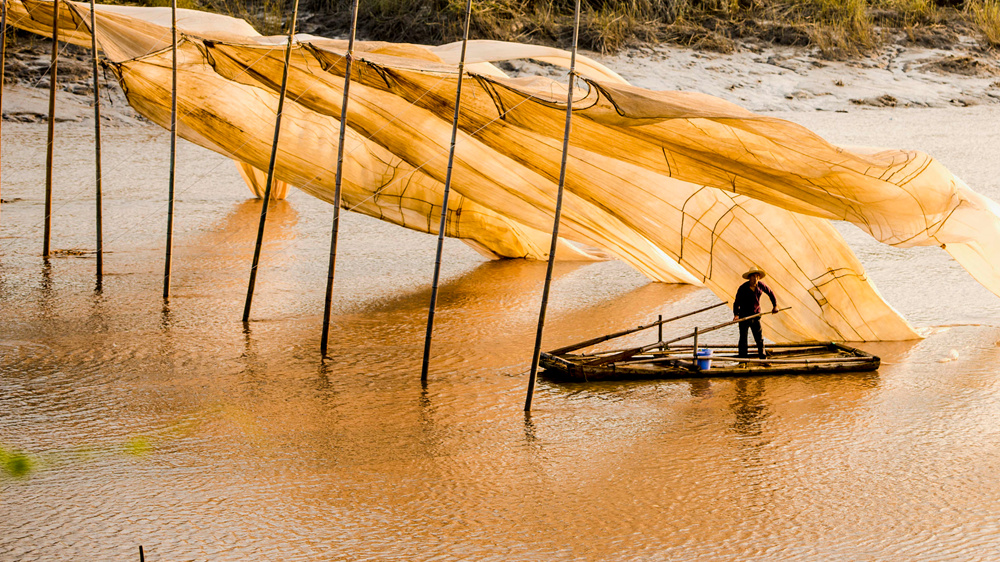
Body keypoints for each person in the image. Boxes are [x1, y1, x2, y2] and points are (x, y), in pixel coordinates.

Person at [733, 266, 778, 360]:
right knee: (743, 339)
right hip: (744, 316)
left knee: (759, 339)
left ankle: (763, 358)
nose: (755, 279)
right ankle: (743, 360)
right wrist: (736, 315)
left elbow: (770, 293)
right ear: (749, 278)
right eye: (753, 277)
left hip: (756, 315)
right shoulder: (743, 288)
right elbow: (736, 302)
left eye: (757, 277)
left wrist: (775, 306)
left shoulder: (761, 285)